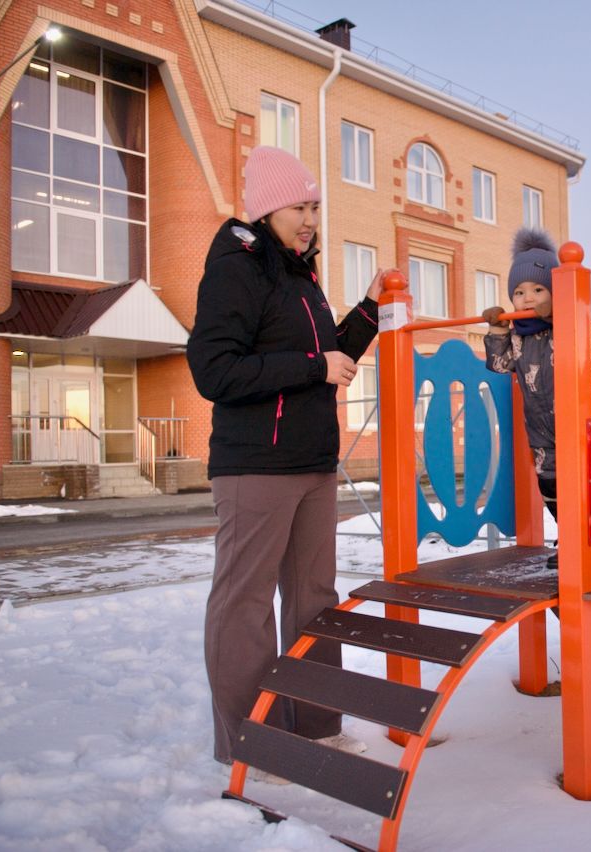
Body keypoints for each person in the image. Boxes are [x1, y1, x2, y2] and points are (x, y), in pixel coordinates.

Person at [187, 146, 381, 769]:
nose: (310, 220)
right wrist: (312, 366)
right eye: (299, 207)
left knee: (314, 601)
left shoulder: (300, 276)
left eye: (315, 207)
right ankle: (251, 745)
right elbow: (214, 371)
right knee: (244, 605)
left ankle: (317, 727)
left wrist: (368, 310)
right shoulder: (236, 270)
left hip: (311, 464)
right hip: (255, 467)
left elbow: (326, 358)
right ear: (268, 210)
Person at [483, 229, 591, 577]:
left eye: (538, 290)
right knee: (551, 487)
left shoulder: (574, 322)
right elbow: (500, 365)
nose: (528, 298)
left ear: (555, 292)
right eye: (519, 292)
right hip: (541, 430)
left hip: (585, 424)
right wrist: (497, 330)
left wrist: (559, 318)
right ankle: (573, 539)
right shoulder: (518, 337)